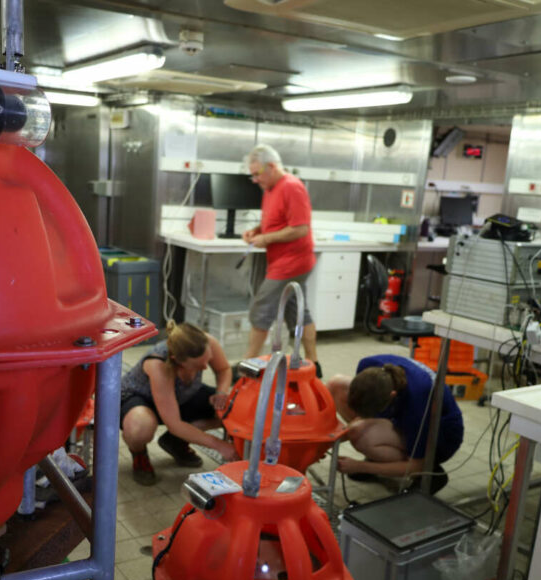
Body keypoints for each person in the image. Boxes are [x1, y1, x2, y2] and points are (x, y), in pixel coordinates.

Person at [120, 320, 238, 485]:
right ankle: (139, 454)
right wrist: (219, 445)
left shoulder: (205, 341)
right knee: (140, 426)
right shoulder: (158, 364)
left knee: (232, 411)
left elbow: (223, 369)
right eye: (197, 366)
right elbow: (174, 423)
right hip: (140, 398)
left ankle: (174, 442)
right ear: (178, 361)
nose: (205, 367)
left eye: (207, 360)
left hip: (180, 396)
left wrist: (221, 392)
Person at [326, 354, 464, 494]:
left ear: (392, 396)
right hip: (404, 410)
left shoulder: (417, 406)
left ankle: (429, 472)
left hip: (443, 437)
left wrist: (360, 466)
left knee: (361, 435)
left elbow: (415, 465)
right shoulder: (368, 365)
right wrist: (325, 442)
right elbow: (360, 411)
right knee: (336, 385)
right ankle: (381, 455)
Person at [242, 144, 321, 373]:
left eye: (257, 174)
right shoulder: (270, 189)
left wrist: (266, 239)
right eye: (252, 175)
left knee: (261, 308)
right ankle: (314, 363)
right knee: (297, 312)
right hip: (282, 260)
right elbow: (275, 220)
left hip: (293, 261)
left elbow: (300, 229)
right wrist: (257, 231)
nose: (255, 179)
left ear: (272, 167)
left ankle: (249, 362)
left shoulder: (292, 187)